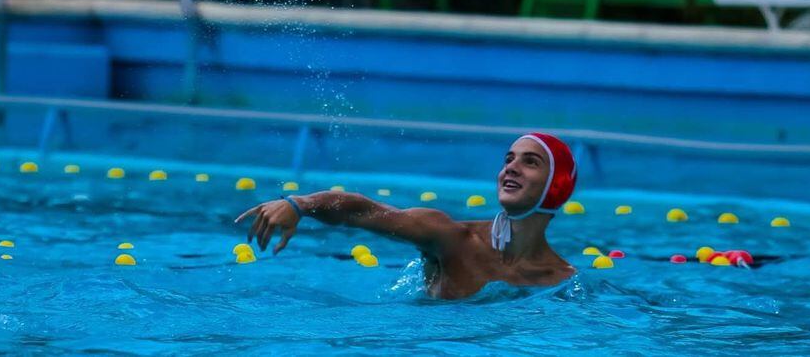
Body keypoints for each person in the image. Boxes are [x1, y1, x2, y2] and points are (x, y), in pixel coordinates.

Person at [235, 132, 578, 299]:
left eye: (530, 162)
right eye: (508, 159)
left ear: (556, 185)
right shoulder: (453, 238)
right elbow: (363, 211)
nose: (511, 168)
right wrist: (300, 205)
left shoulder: (563, 279)